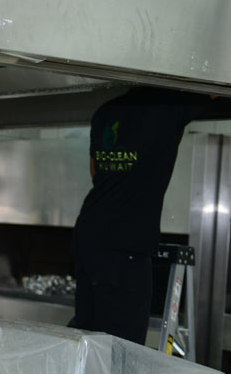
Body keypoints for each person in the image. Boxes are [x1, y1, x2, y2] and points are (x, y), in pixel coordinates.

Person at [68, 86, 213, 345]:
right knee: (122, 347)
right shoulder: (168, 107)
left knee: (86, 334)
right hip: (125, 245)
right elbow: (215, 84)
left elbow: (95, 171)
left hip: (89, 233)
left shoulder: (105, 112)